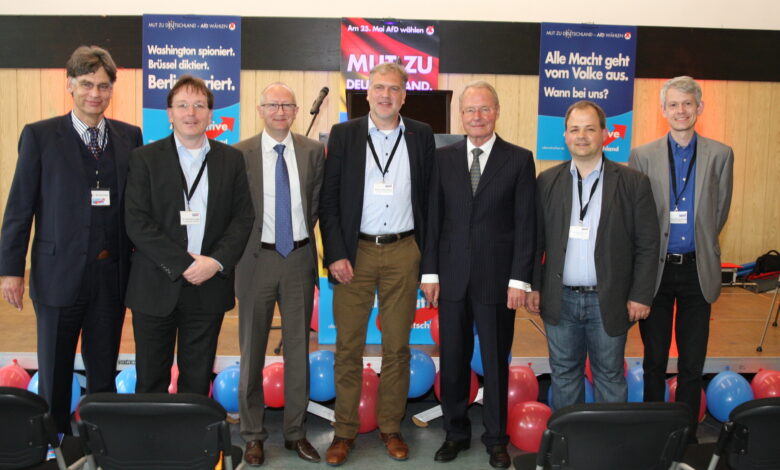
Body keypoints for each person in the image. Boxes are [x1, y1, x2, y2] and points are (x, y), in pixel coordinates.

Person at [0, 46, 142, 433]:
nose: (94, 93)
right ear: (70, 85)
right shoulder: (40, 136)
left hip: (110, 279)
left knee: (103, 373)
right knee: (55, 374)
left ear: (112, 89)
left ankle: (102, 442)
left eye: (102, 85)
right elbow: (19, 208)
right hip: (57, 275)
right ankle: (51, 443)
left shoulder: (131, 137)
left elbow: (138, 208)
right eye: (86, 84)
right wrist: (10, 270)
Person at [318, 62, 435, 465]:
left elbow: (431, 202)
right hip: (355, 252)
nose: (386, 95)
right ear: (367, 93)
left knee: (398, 347)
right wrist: (334, 252)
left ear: (405, 95)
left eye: (394, 89)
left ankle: (390, 427)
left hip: (404, 250)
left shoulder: (421, 136)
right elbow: (328, 200)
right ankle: (344, 432)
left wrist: (428, 259)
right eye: (379, 88)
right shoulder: (345, 134)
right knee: (347, 347)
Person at [421, 81, 535, 468]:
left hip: (497, 282)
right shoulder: (443, 158)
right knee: (452, 360)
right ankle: (454, 434)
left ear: (497, 111)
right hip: (451, 277)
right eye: (470, 110)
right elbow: (434, 221)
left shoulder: (519, 159)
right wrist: (431, 272)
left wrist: (520, 280)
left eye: (484, 109)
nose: (476, 116)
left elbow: (526, 225)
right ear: (461, 115)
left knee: (495, 364)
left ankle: (496, 439)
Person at [124, 75, 253, 396]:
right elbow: (137, 221)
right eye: (182, 105)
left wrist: (215, 262)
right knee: (150, 378)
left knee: (196, 379)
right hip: (156, 286)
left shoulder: (231, 159)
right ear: (169, 113)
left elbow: (243, 218)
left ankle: (193, 446)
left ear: (211, 114)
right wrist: (183, 264)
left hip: (208, 285)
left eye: (199, 105)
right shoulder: (145, 158)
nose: (191, 113)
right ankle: (151, 443)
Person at [527, 100, 659, 410]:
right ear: (565, 136)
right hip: (560, 300)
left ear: (605, 134)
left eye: (589, 128)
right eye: (574, 129)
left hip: (609, 300)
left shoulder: (633, 183)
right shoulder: (547, 181)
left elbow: (648, 244)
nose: (581, 136)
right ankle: (568, 448)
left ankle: (609, 452)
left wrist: (641, 295)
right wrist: (534, 286)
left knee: (610, 376)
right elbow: (536, 241)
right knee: (563, 375)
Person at [629, 76, 733, 437]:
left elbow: (718, 213)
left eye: (688, 103)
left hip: (696, 271)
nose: (681, 111)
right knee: (654, 358)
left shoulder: (721, 154)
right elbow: (640, 217)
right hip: (655, 271)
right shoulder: (642, 155)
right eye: (673, 104)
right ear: (663, 110)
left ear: (699, 107)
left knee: (692, 361)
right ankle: (655, 428)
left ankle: (686, 432)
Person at [234, 82, 324, 466]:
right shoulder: (239, 154)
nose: (280, 111)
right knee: (252, 350)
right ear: (260, 109)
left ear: (296, 109)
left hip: (299, 259)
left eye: (287, 104)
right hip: (255, 260)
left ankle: (295, 432)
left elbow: (317, 203)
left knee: (298, 351)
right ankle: (253, 434)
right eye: (273, 104)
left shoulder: (313, 151)